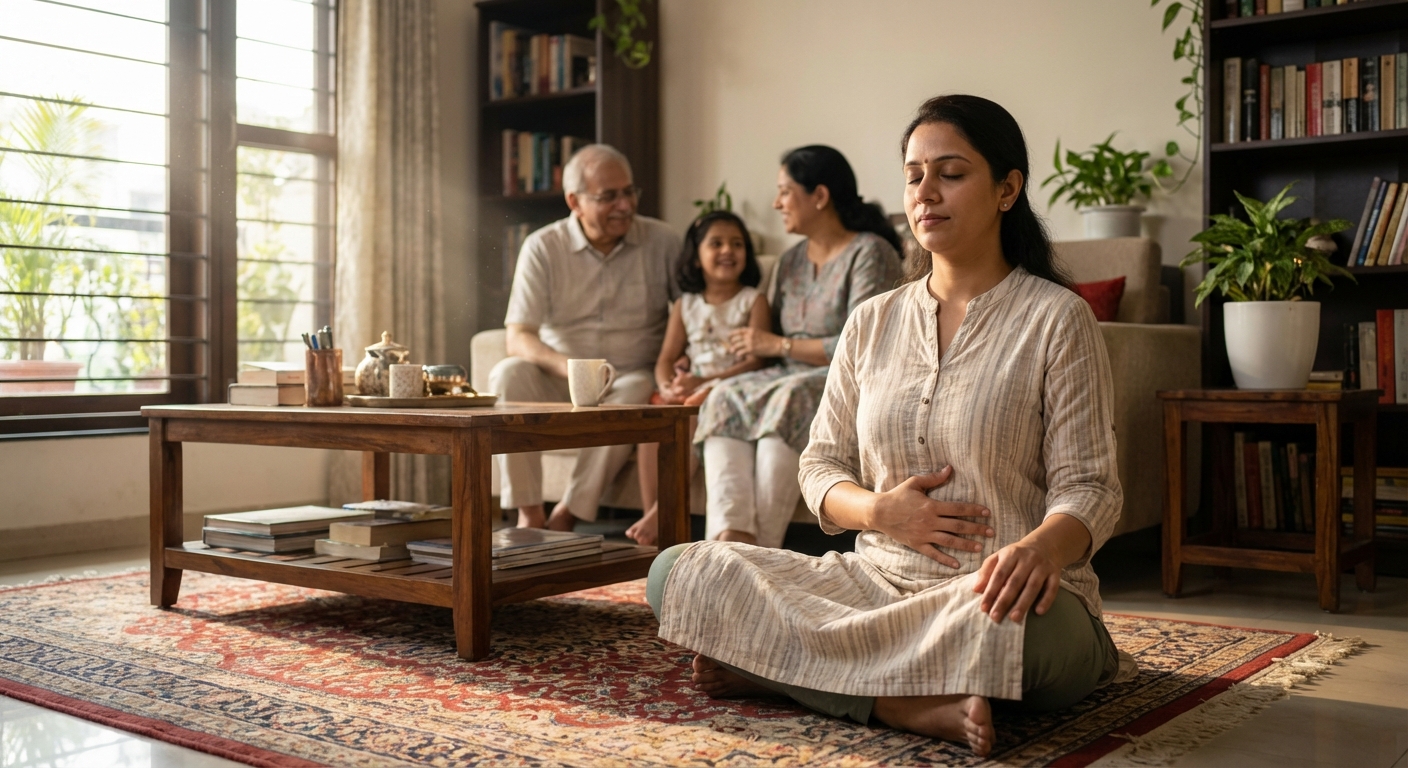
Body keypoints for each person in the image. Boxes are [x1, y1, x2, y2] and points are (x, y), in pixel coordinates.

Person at [646, 95, 1132, 756]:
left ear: (1007, 189)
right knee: (678, 571)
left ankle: (779, 669)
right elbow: (819, 468)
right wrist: (879, 512)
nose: (925, 192)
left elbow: (1092, 490)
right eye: (912, 176)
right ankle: (899, 700)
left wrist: (1039, 552)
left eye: (951, 173)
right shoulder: (872, 322)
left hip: (993, 594)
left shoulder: (1056, 319)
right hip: (874, 585)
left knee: (1025, 640)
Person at [691, 145, 903, 549]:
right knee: (722, 397)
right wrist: (704, 372)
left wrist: (778, 343)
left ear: (819, 196)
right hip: (786, 375)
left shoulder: (870, 252)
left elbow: (860, 343)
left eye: (785, 192)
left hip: (846, 380)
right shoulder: (789, 261)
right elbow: (761, 343)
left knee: (790, 397)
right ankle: (728, 541)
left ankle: (762, 549)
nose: (777, 203)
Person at [489, 144, 681, 531]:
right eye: (608, 196)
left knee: (638, 389)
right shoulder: (543, 247)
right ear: (574, 201)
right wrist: (570, 367)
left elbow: (690, 315)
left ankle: (567, 514)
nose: (625, 205)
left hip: (629, 378)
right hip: (561, 379)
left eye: (629, 192)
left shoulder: (664, 242)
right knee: (507, 374)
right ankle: (529, 514)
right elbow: (519, 335)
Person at [627, 211, 771, 546]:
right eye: (716, 243)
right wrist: (666, 386)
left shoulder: (753, 300)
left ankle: (662, 510)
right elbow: (665, 358)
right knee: (656, 416)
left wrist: (705, 381)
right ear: (695, 257)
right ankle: (657, 518)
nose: (728, 251)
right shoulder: (685, 304)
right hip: (690, 385)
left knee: (695, 409)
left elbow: (757, 361)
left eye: (737, 244)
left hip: (729, 385)